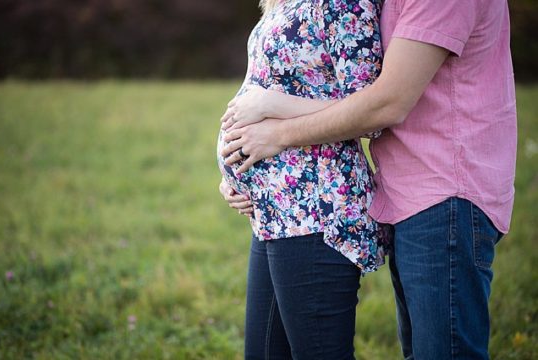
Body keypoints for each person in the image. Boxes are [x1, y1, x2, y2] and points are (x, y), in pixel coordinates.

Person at [221, 0, 517, 359]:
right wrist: (237, 168)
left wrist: (275, 128)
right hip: (401, 192)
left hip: (441, 191)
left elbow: (384, 103)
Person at [216, 0, 388, 358]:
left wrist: (272, 106)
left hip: (316, 210)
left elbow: (370, 110)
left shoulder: (345, 4)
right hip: (273, 211)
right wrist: (233, 175)